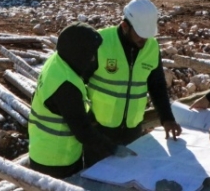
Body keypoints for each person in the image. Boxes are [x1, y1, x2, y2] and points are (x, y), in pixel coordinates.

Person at [28, 22, 136, 179]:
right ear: (78, 54)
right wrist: (112, 148)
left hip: (41, 149)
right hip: (57, 160)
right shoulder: (66, 87)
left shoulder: (57, 62)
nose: (93, 58)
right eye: (90, 54)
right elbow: (82, 131)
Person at [84, 0, 182, 167]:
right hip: (99, 131)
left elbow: (157, 85)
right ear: (125, 26)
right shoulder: (100, 42)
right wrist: (85, 121)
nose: (144, 41)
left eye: (148, 35)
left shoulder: (151, 46)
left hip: (133, 130)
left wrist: (167, 118)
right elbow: (78, 82)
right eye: (141, 35)